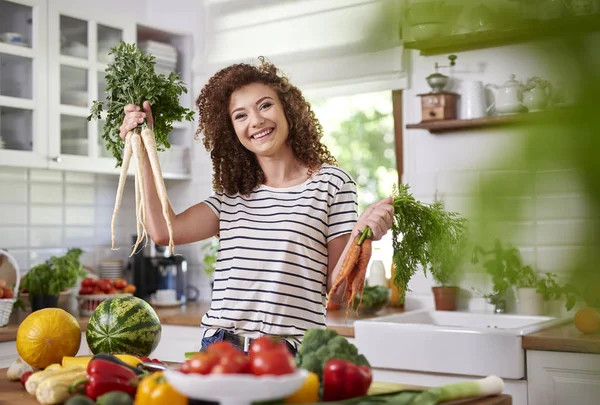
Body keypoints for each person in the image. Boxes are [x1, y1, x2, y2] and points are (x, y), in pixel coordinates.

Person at [119, 58, 395, 353]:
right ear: (232, 132)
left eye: (265, 105)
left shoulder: (332, 185)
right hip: (220, 346)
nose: (256, 121)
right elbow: (164, 231)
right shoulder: (233, 195)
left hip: (288, 352)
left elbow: (338, 293)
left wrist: (360, 234)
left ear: (288, 109)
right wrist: (142, 149)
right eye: (240, 115)